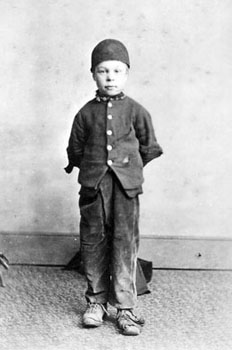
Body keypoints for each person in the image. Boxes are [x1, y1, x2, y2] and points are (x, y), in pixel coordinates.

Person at [65, 39, 163, 336]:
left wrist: (128, 170)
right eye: (103, 71)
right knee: (92, 244)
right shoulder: (85, 113)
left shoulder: (136, 111)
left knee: (124, 244)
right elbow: (76, 149)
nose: (110, 77)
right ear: (93, 73)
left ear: (127, 74)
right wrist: (97, 171)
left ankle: (125, 309)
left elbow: (149, 147)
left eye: (117, 71)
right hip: (94, 189)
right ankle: (95, 302)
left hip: (126, 190)